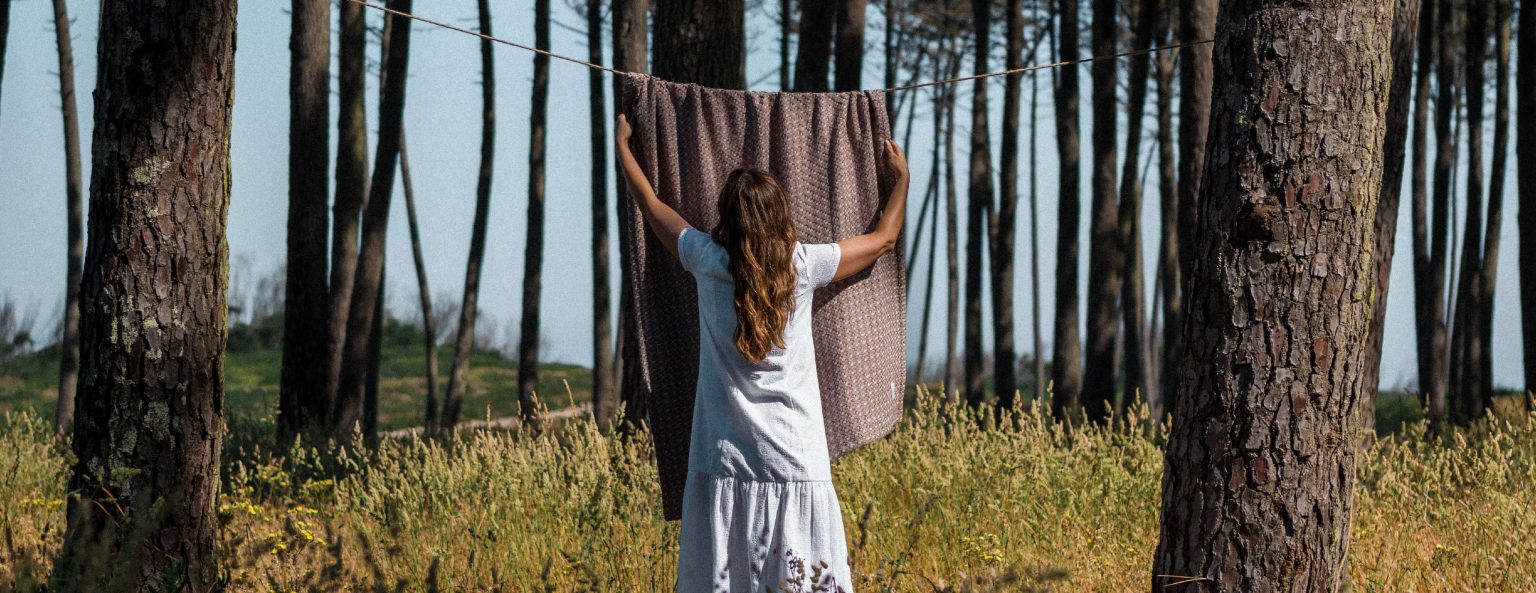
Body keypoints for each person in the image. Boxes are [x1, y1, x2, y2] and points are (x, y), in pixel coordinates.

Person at [615, 114, 909, 593]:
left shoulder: (708, 261)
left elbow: (651, 205)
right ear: (780, 216)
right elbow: (884, 239)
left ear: (727, 218)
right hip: (796, 457)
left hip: (725, 458)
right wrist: (901, 181)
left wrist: (624, 147)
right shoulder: (803, 265)